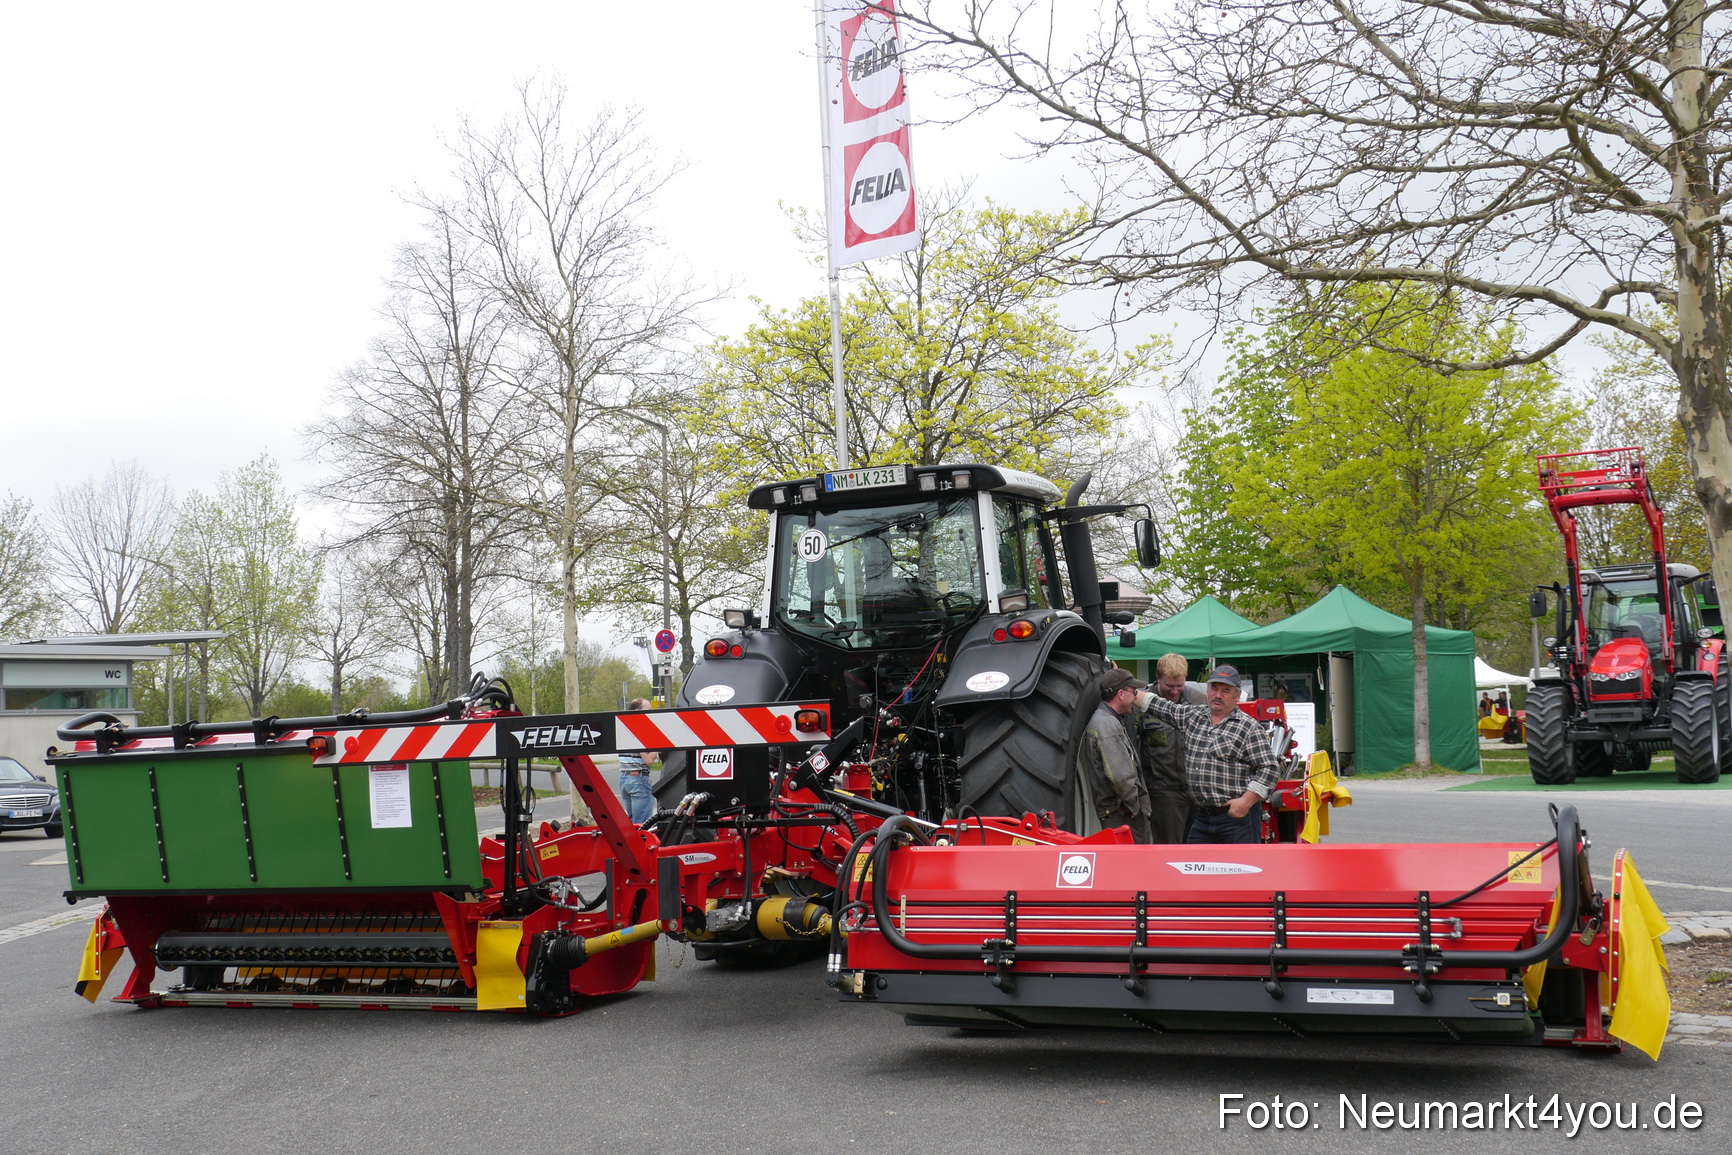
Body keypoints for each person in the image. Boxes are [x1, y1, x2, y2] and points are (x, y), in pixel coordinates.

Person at [1133, 664, 1279, 844]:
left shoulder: (1248, 728)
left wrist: (1246, 802)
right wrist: (1128, 690)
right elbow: (1162, 707)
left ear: (1237, 695)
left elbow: (1269, 768)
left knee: (1239, 870)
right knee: (1196, 869)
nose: (1218, 695)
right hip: (1202, 817)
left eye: (1226, 690)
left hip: (1236, 820)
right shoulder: (1193, 716)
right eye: (1214, 688)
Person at [1128, 653, 1205, 842]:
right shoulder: (1139, 704)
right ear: (1158, 678)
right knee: (1169, 847)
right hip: (1164, 792)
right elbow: (1131, 746)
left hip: (1197, 789)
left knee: (1199, 846)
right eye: (1169, 686)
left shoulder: (1199, 700)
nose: (1174, 691)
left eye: (1180, 685)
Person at [1081, 667, 1153, 842]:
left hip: (1117, 812)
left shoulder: (1107, 720)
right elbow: (1120, 776)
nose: (1136, 696)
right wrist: (1135, 805)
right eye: (1133, 691)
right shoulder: (1107, 725)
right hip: (1123, 814)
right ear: (1121, 694)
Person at [617, 698, 659, 825]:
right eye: (648, 709)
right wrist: (659, 743)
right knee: (643, 824)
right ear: (637, 711)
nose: (650, 712)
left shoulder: (623, 729)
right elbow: (649, 760)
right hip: (638, 780)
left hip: (624, 779)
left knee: (632, 823)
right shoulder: (640, 729)